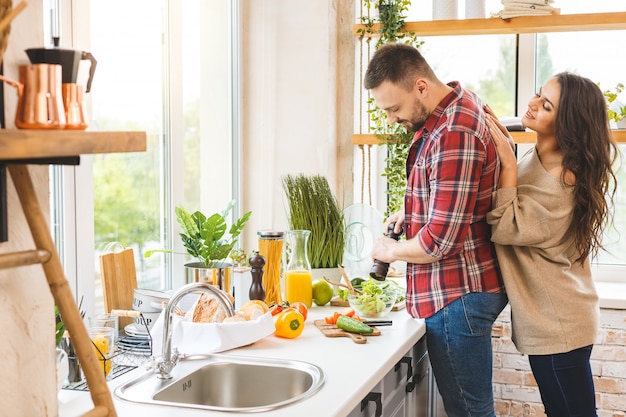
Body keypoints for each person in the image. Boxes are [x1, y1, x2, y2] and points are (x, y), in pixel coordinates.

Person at [366, 42, 507, 417]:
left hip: (456, 295)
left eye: (394, 108)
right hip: (458, 291)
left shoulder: (454, 131)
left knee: (470, 412)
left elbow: (441, 241)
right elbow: (456, 192)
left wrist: (389, 251)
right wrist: (410, 210)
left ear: (422, 87)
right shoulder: (451, 108)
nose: (391, 119)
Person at [485, 72, 618, 417]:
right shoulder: (544, 155)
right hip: (560, 320)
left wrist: (508, 162)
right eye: (537, 95)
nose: (531, 105)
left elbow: (504, 225)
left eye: (545, 106)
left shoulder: (563, 180)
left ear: (568, 125)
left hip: (559, 326)